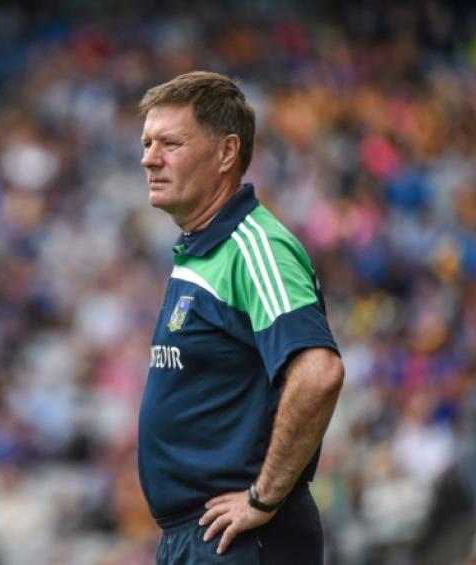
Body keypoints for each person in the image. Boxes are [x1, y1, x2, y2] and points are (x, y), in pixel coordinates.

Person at [137, 71, 344, 564]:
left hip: (243, 540)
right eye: (147, 143)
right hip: (202, 537)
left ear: (227, 152)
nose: (149, 158)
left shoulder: (255, 247)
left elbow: (318, 372)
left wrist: (262, 498)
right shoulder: (203, 249)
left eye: (170, 143)